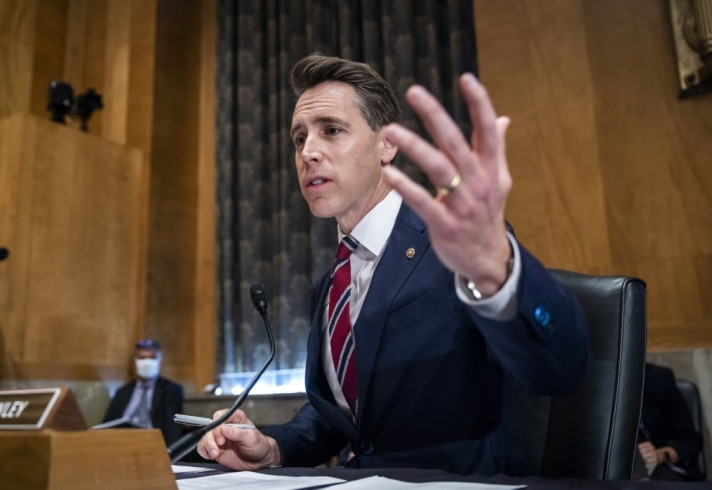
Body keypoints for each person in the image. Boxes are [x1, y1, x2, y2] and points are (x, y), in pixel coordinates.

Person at [197, 54, 590, 475]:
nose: (307, 152)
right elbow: (352, 415)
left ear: (388, 144)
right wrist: (274, 447)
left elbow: (560, 370)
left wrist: (501, 275)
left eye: (331, 130)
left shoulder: (452, 244)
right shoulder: (331, 284)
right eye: (298, 139)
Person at [102, 339, 184, 446]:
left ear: (160, 361)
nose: (147, 362)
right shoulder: (122, 392)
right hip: (120, 444)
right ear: (134, 362)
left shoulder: (171, 390)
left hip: (152, 445)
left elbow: (173, 430)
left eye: (152, 358)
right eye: (142, 358)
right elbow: (106, 424)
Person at [636, 362, 704, 481]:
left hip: (665, 470)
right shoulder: (595, 383)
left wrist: (659, 455)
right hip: (620, 474)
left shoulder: (658, 378)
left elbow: (691, 441)